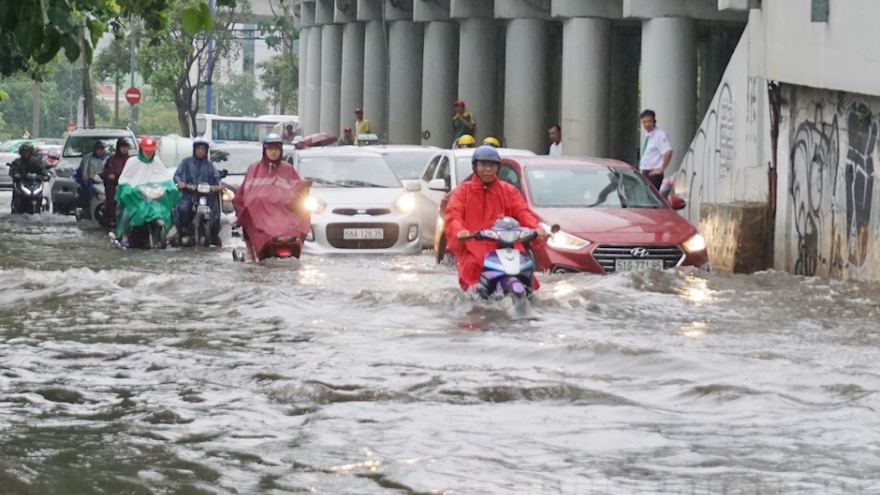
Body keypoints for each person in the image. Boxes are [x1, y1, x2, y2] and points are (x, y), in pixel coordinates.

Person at [444, 145, 547, 292]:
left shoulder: (508, 190)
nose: (488, 169)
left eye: (492, 165)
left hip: (508, 245)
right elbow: (453, 214)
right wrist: (460, 231)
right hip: (474, 245)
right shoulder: (462, 191)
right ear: (475, 166)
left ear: (497, 167)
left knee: (527, 268)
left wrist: (535, 227)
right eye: (483, 165)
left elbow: (522, 211)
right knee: (472, 268)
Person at [233, 133, 303, 262]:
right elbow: (245, 192)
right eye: (270, 149)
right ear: (264, 150)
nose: (273, 152)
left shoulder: (288, 169)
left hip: (282, 213)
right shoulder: (254, 168)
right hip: (259, 213)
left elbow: (297, 190)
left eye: (276, 148)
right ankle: (250, 250)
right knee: (247, 215)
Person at [115, 136, 178, 248]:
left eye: (151, 151)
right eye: (146, 151)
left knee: (170, 211)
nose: (149, 153)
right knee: (127, 212)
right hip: (136, 199)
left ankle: (168, 233)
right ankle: (125, 235)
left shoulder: (157, 162)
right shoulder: (132, 162)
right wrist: (131, 190)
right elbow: (124, 181)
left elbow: (166, 178)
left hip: (153, 200)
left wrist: (170, 188)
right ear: (141, 149)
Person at [172, 137, 223, 246]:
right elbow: (177, 175)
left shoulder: (209, 165)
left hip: (206, 196)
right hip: (190, 195)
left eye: (203, 149)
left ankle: (214, 233)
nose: (201, 151)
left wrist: (218, 186)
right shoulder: (186, 162)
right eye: (198, 148)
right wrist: (182, 183)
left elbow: (217, 177)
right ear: (194, 150)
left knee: (215, 212)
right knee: (183, 208)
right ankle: (182, 230)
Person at [638, 109, 673, 190]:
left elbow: (668, 152)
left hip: (653, 174)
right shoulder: (649, 136)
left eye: (649, 121)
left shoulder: (659, 135)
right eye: (644, 122)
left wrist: (661, 169)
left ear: (654, 121)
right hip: (644, 173)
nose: (647, 124)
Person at [100, 138, 131, 227]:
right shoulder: (111, 160)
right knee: (112, 202)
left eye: (126, 147)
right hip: (114, 187)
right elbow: (106, 172)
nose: (124, 149)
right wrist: (110, 175)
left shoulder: (131, 160)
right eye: (122, 147)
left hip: (128, 186)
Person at [8, 143, 47, 213]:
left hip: (34, 184)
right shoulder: (17, 162)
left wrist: (46, 175)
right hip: (21, 184)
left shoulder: (35, 161)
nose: (26, 154)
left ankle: (41, 207)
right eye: (24, 152)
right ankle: (16, 207)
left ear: (31, 152)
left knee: (41, 194)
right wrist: (16, 174)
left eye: (27, 152)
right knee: (17, 193)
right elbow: (13, 170)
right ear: (21, 152)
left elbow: (42, 169)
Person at [76, 140, 109, 218]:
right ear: (94, 149)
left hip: (105, 182)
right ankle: (86, 211)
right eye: (98, 149)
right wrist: (85, 177)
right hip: (91, 182)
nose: (100, 151)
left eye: (102, 149)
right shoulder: (87, 158)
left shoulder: (108, 159)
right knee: (86, 193)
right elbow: (84, 170)